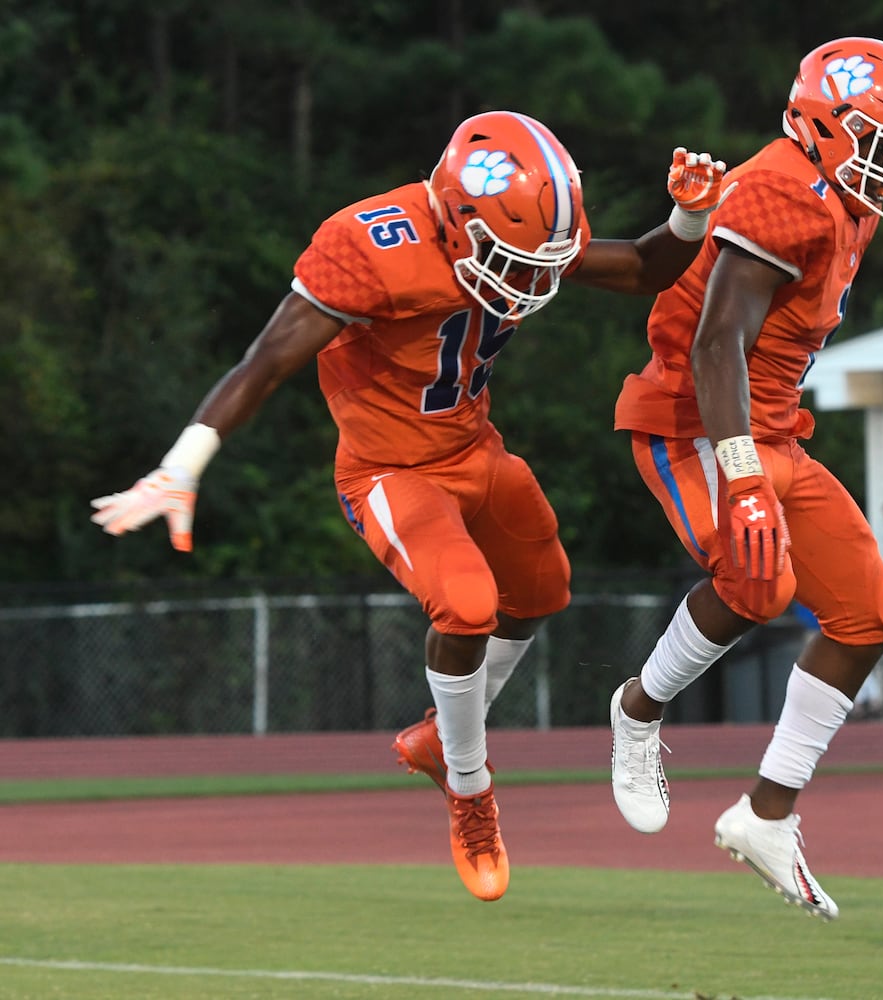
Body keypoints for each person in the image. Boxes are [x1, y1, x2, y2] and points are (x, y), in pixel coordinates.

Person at [89, 110, 728, 903]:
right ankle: (469, 789)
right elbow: (267, 360)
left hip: (475, 450)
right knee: (466, 605)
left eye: (539, 262)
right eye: (512, 260)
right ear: (459, 224)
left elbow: (637, 266)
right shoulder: (370, 249)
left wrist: (689, 216)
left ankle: (438, 735)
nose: (529, 282)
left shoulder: (513, 236)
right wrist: (182, 463)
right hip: (389, 471)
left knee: (542, 593)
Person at [604, 37, 883, 920]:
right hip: (690, 421)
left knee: (869, 615)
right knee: (759, 579)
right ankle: (638, 710)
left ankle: (765, 815)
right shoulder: (784, 188)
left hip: (775, 427)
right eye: (880, 142)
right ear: (824, 126)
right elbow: (717, 343)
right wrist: (741, 473)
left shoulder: (848, 200)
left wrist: (765, 455)